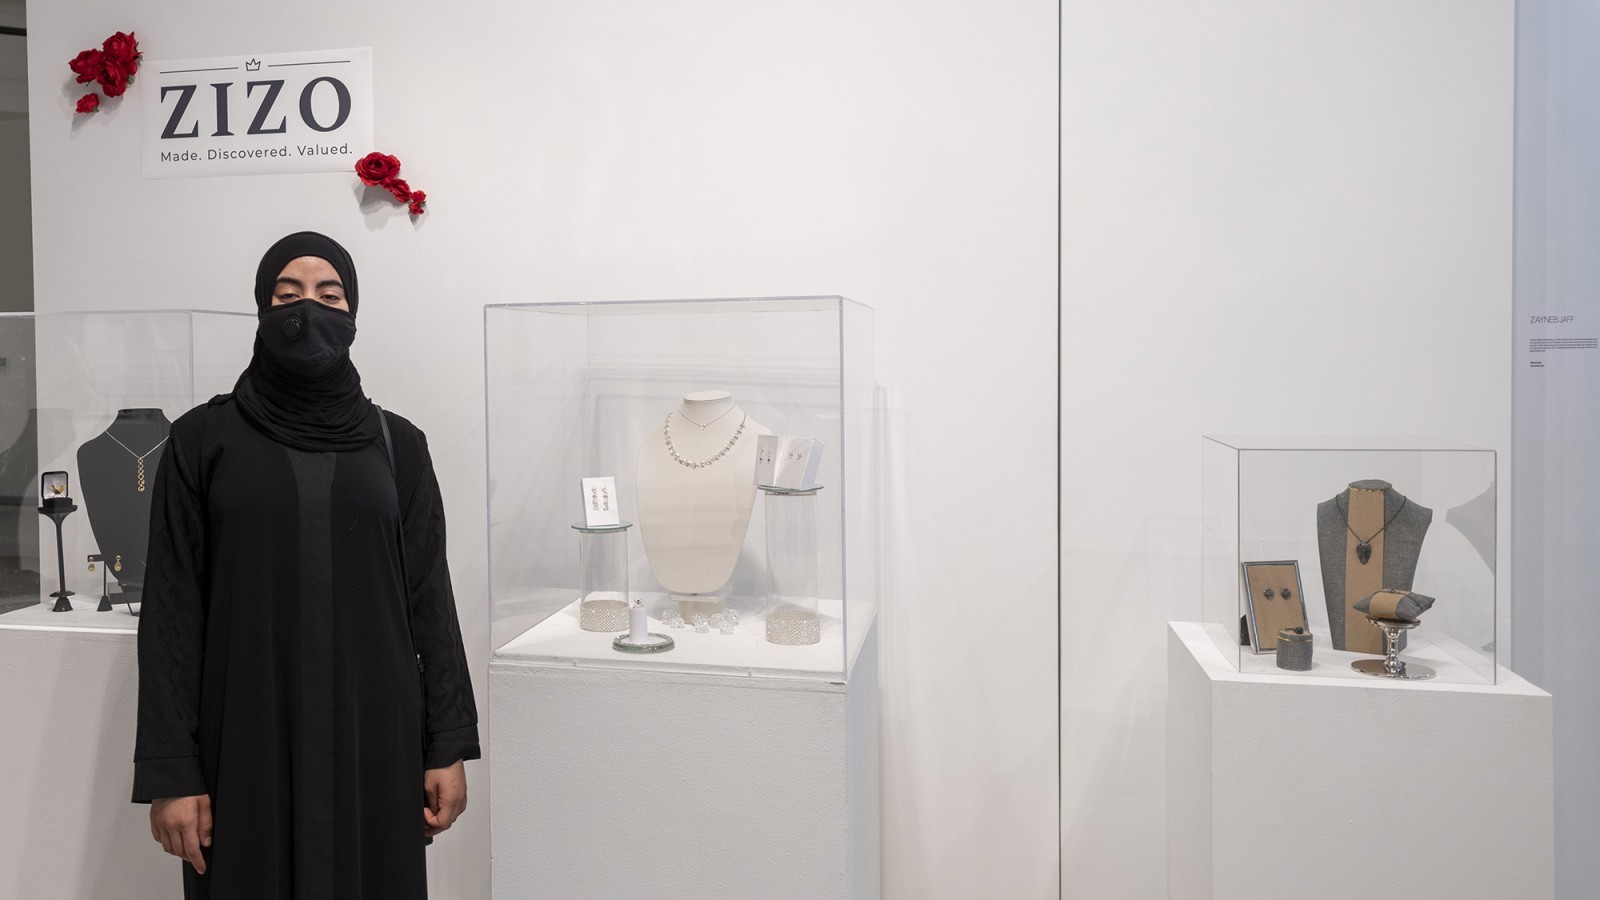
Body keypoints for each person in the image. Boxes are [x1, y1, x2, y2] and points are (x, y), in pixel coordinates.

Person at [132, 232, 480, 899]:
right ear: (262, 311)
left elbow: (429, 598)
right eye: (286, 296)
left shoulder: (397, 445)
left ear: (353, 315)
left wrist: (447, 743)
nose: (308, 312)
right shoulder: (203, 441)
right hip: (245, 737)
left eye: (330, 295)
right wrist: (173, 772)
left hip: (373, 735)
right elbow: (173, 610)